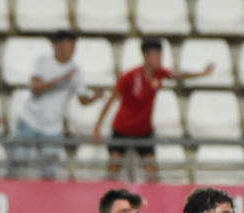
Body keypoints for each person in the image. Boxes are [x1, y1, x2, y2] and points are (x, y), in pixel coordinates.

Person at [92, 38, 214, 182]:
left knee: (152, 172)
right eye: (155, 55)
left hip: (143, 131)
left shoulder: (159, 73)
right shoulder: (128, 77)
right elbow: (110, 101)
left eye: (159, 55)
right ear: (145, 56)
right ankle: (104, 200)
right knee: (113, 169)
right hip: (122, 129)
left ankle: (156, 202)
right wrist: (97, 128)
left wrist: (200, 74)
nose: (158, 58)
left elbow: (178, 74)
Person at [9, 29, 103, 180]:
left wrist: (94, 97)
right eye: (69, 45)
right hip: (29, 120)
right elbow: (35, 88)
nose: (72, 49)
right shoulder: (43, 61)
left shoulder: (75, 71)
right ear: (57, 46)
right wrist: (61, 78)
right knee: (17, 165)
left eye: (74, 45)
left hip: (52, 128)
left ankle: (46, 201)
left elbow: (82, 100)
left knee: (50, 171)